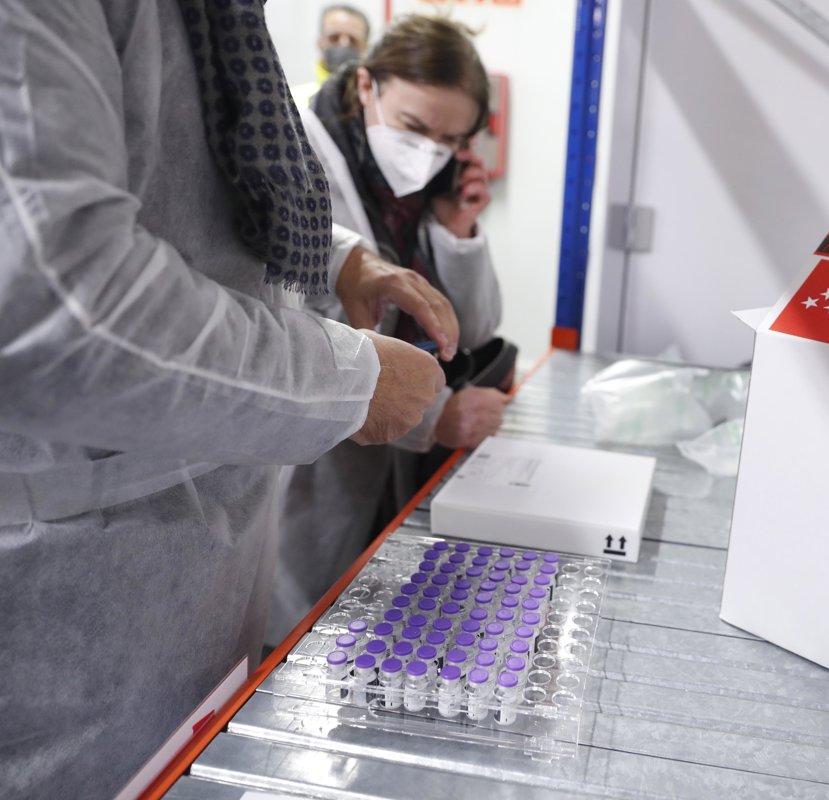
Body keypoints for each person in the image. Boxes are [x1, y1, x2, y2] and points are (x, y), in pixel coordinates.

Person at [0, 1, 461, 796]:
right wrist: (349, 383)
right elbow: (58, 304)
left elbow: (191, 196)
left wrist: (337, 259)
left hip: (201, 573)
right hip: (75, 589)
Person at [267, 15, 511, 645]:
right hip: (301, 473)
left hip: (375, 477)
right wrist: (435, 416)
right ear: (366, 85)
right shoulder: (297, 151)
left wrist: (457, 231)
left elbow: (473, 327)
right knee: (285, 643)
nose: (428, 152)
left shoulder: (420, 193)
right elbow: (292, 331)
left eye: (450, 139)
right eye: (415, 128)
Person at [293, 4, 372, 109]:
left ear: (366, 47)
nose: (343, 44)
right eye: (334, 38)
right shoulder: (292, 102)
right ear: (320, 41)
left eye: (353, 40)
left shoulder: (374, 102)